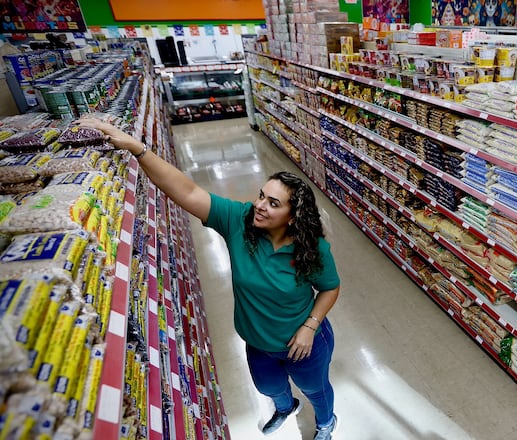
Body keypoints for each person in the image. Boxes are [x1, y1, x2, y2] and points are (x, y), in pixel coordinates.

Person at [78, 119, 341, 440]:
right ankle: (286, 407)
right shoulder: (240, 221)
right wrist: (138, 149)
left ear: (293, 216)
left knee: (316, 389)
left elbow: (330, 288)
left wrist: (310, 327)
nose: (259, 206)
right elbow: (188, 191)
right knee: (268, 387)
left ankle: (326, 422)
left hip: (303, 344)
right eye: (261, 196)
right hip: (259, 344)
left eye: (273, 203)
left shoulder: (312, 248)